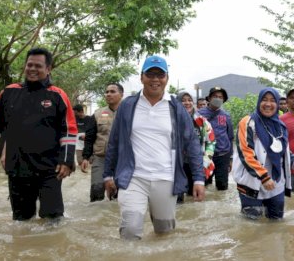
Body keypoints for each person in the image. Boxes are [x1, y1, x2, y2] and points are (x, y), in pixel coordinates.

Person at [103, 55, 205, 240]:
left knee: (164, 233)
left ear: (167, 78)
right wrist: (108, 175)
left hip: (166, 178)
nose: (155, 79)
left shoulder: (176, 108)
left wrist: (198, 179)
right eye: (150, 74)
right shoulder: (128, 105)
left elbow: (192, 144)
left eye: (160, 75)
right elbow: (114, 141)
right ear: (142, 77)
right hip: (133, 177)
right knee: (130, 230)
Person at [0, 47, 78, 221]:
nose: (32, 69)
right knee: (21, 221)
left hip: (50, 169)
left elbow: (69, 130)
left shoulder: (58, 96)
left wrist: (66, 161)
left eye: (38, 66)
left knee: (52, 219)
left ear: (48, 69)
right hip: (18, 167)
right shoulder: (9, 93)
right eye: (29, 65)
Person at [232, 87, 294, 219]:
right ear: (259, 101)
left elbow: (283, 151)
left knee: (276, 224)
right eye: (264, 100)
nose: (268, 104)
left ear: (277, 104)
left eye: (272, 100)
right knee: (251, 226)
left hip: (276, 183)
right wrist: (264, 177)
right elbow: (245, 152)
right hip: (251, 183)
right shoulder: (248, 123)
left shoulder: (280, 125)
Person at [79, 83, 124, 202]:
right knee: (96, 191)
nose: (108, 94)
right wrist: (85, 157)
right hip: (100, 157)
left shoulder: (129, 113)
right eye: (107, 92)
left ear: (121, 95)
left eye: (112, 92)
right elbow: (90, 137)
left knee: (119, 194)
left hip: (122, 160)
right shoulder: (98, 114)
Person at [176, 91, 215, 203]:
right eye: (183, 100)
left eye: (189, 100)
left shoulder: (202, 121)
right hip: (177, 165)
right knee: (177, 197)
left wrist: (205, 162)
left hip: (197, 164)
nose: (187, 103)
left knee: (194, 198)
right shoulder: (171, 121)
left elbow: (211, 142)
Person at [199, 86, 234, 190]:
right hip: (205, 155)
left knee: (222, 187)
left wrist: (230, 158)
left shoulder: (226, 115)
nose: (218, 99)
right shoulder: (200, 114)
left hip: (223, 155)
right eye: (215, 96)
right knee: (202, 183)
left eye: (220, 97)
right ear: (209, 98)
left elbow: (230, 136)